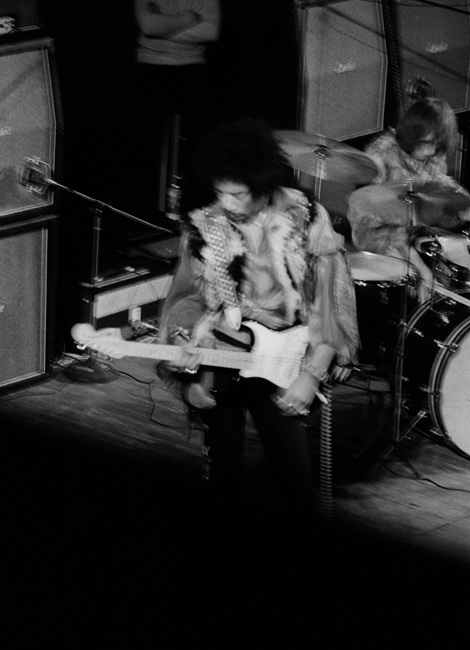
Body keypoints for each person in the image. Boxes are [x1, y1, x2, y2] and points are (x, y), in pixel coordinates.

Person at [156, 118, 360, 522]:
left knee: (295, 484)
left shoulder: (304, 217)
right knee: (222, 480)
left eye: (238, 194)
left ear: (262, 183)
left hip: (282, 362)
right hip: (222, 360)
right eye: (220, 192)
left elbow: (330, 302)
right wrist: (192, 372)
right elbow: (187, 298)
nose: (227, 203)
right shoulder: (205, 225)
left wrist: (313, 373)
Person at [347, 97, 470, 300]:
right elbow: (383, 228)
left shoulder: (434, 154)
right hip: (377, 236)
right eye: (427, 144)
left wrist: (462, 205)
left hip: (415, 231)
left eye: (437, 145)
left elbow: (439, 189)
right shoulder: (381, 155)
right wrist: (422, 271)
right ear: (413, 133)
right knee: (421, 288)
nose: (431, 151)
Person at [132, 0, 221, 220]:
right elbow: (148, 27)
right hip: (150, 66)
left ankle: (196, 215)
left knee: (201, 145)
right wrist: (189, 19)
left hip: (193, 66)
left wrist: (163, 29)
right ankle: (141, 217)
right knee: (144, 147)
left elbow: (211, 31)